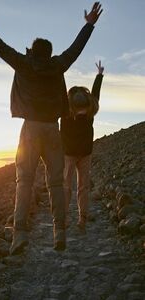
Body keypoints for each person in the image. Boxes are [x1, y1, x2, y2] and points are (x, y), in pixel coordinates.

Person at [0, 1, 103, 253]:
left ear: (33, 51)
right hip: (52, 130)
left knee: (24, 182)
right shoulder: (58, 64)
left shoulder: (23, 63)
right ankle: (59, 233)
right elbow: (76, 49)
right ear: (49, 53)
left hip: (29, 130)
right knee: (56, 184)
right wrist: (89, 25)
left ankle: (19, 237)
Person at [61, 61, 104, 233]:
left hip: (72, 154)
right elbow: (95, 95)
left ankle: (69, 221)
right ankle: (80, 221)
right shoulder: (89, 112)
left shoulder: (65, 112)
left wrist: (99, 76)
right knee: (81, 187)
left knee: (68, 187)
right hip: (82, 153)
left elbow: (95, 95)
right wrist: (99, 75)